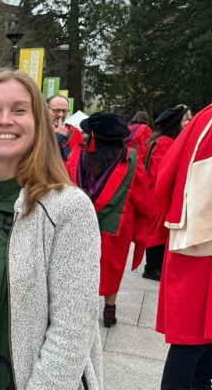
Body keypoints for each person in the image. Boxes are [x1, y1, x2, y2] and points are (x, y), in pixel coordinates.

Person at [0, 69, 103, 389]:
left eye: (19, 110)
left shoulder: (68, 209)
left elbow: (72, 331)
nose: (4, 120)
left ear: (39, 126)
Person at [156, 51, 212, 390]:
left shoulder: (211, 116)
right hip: (208, 242)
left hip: (207, 240)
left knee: (207, 332)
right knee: (192, 337)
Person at [66, 112, 154, 328]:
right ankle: (109, 310)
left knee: (80, 265)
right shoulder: (131, 159)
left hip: (80, 222)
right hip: (116, 226)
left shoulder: (77, 156)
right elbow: (142, 197)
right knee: (111, 266)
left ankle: (77, 309)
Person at [138, 105, 190, 281]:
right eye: (184, 120)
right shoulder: (166, 143)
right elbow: (166, 171)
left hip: (152, 192)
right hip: (156, 194)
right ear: (175, 124)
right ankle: (152, 268)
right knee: (156, 231)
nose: (187, 123)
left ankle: (154, 267)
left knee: (154, 229)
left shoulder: (157, 140)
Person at [48, 94, 84, 161]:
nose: (61, 115)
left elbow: (80, 161)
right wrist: (58, 136)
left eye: (64, 111)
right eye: (56, 111)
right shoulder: (37, 131)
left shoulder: (76, 133)